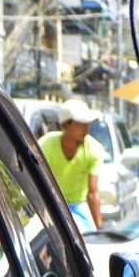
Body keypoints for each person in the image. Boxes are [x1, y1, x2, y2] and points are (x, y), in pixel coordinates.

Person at [38, 99, 107, 230]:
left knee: (87, 236)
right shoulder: (46, 144)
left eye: (87, 124)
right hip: (50, 203)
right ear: (65, 124)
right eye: (81, 124)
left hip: (78, 206)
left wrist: (100, 229)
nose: (86, 129)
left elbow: (93, 193)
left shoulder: (94, 149)